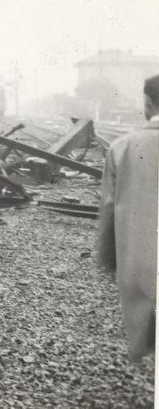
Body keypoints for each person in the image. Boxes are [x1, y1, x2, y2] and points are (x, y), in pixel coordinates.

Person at [94, 74, 159, 363]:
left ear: (147, 101)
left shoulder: (122, 147)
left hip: (142, 260)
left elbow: (108, 207)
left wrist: (108, 256)